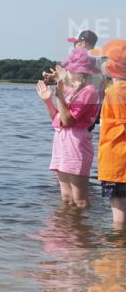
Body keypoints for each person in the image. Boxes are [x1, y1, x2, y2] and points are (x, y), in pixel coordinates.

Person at [35, 51, 100, 208]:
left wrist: (59, 92)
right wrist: (48, 101)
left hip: (76, 142)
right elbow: (58, 121)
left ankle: (83, 231)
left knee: (80, 198)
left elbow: (68, 120)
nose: (67, 72)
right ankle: (69, 229)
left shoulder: (89, 91)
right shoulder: (71, 91)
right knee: (66, 196)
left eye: (70, 70)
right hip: (61, 140)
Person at [93, 40, 126, 228]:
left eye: (105, 60)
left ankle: (116, 253)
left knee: (119, 215)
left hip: (117, 162)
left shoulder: (115, 92)